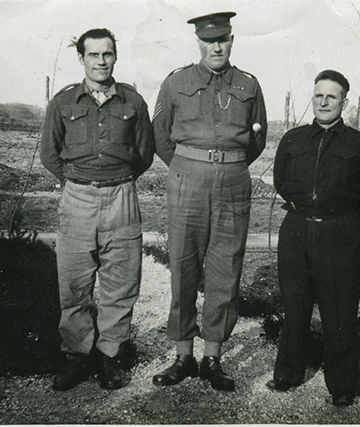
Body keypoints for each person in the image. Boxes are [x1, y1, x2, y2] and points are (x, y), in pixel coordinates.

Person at [151, 11, 267, 392]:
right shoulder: (175, 82)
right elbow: (161, 137)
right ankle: (183, 354)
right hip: (187, 179)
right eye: (209, 41)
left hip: (234, 181)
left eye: (223, 40)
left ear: (232, 41)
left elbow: (257, 141)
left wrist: (226, 166)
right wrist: (189, 167)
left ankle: (212, 356)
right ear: (198, 42)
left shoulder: (250, 84)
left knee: (225, 268)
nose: (216, 47)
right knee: (183, 264)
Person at [40, 28, 154, 391]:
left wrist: (115, 179)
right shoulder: (62, 102)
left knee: (120, 284)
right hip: (77, 200)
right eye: (93, 55)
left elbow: (144, 154)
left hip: (121, 197)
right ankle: (77, 357)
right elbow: (49, 153)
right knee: (73, 284)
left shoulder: (133, 103)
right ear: (82, 59)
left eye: (107, 54)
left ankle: (109, 359)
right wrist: (76, 181)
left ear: (115, 57)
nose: (101, 61)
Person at [268, 70, 360, 406]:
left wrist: (349, 218)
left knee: (339, 312)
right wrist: (301, 205)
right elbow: (280, 180)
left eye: (331, 97)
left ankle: (341, 384)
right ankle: (289, 373)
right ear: (313, 98)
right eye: (319, 95)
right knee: (295, 306)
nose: (323, 102)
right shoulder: (293, 139)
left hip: (338, 234)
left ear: (344, 103)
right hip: (296, 230)